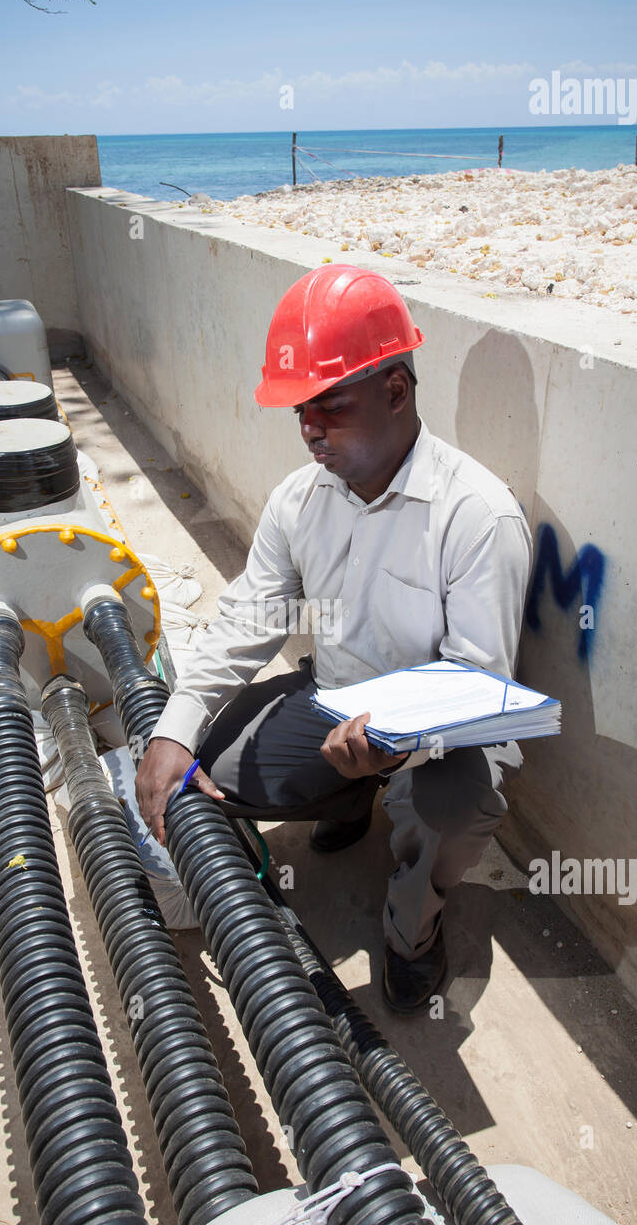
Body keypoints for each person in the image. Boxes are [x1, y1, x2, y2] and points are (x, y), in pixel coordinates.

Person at [135, 265, 532, 1014]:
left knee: (452, 807)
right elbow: (250, 616)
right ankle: (348, 796)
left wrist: (399, 740)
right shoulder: (299, 499)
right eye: (299, 411)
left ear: (396, 392)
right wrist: (175, 727)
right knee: (212, 769)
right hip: (334, 698)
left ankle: (413, 933)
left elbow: (478, 682)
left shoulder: (477, 516)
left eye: (330, 405)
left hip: (447, 734)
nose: (311, 428)